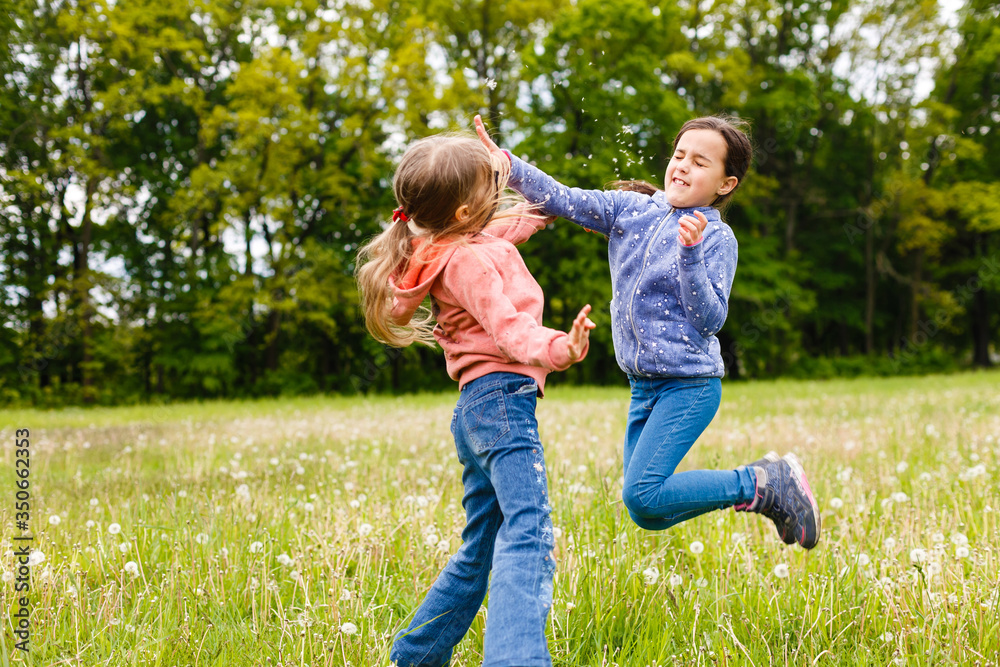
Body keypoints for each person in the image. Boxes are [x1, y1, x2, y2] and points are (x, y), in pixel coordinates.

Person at [474, 114, 820, 549]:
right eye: (679, 155)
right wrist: (507, 164)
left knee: (643, 493)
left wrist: (689, 255)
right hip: (643, 386)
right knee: (646, 510)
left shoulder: (716, 238)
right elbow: (563, 199)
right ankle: (765, 486)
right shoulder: (630, 210)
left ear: (725, 184)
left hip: (688, 385)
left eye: (699, 162)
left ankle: (761, 483)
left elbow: (709, 320)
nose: (682, 166)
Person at [356, 132, 595, 667]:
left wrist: (557, 203)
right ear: (465, 210)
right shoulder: (466, 264)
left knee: (481, 545)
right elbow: (508, 330)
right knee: (529, 533)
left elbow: (514, 225)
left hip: (477, 411)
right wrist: (561, 347)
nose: (499, 195)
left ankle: (413, 658)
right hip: (503, 404)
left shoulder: (450, 244)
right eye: (491, 187)